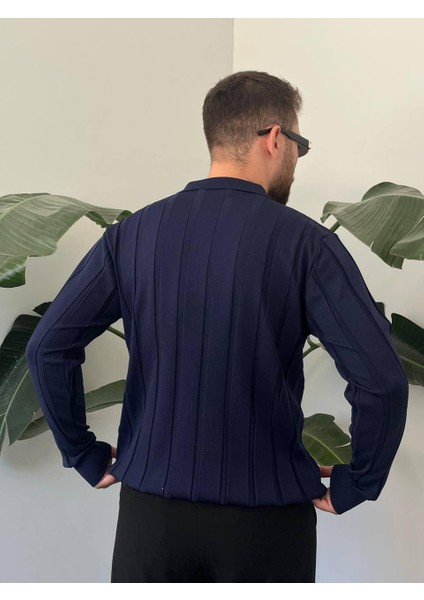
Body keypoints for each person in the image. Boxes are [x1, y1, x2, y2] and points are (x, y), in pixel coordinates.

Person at [25, 70, 409, 583]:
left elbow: (48, 347)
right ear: (275, 138)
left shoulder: (131, 237)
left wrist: (83, 454)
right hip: (267, 527)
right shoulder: (307, 245)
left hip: (150, 521)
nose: (297, 158)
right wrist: (358, 482)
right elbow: (381, 379)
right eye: (300, 146)